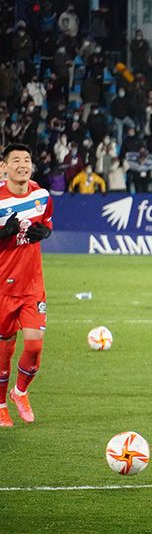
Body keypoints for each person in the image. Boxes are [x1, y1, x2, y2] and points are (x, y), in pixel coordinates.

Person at [0, 144, 53, 428]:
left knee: (34, 344)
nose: (23, 165)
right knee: (4, 351)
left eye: (27, 160)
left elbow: (47, 223)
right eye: (16, 160)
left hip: (32, 286)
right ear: (4, 166)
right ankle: (0, 406)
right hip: (3, 289)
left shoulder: (41, 195)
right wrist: (2, 233)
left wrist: (44, 233)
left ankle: (20, 392)